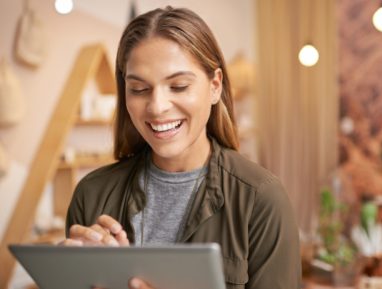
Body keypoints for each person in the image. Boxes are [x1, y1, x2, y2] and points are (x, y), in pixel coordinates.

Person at [63, 6, 301, 289]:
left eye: (178, 86)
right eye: (139, 89)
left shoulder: (260, 199)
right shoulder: (91, 195)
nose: (157, 107)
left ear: (214, 86)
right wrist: (68, 277)